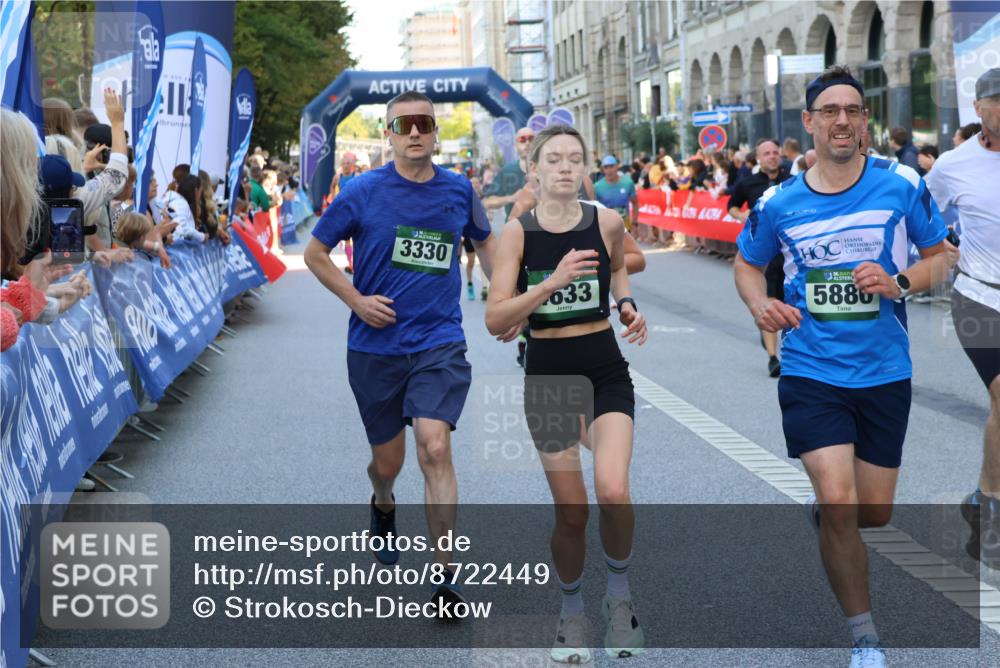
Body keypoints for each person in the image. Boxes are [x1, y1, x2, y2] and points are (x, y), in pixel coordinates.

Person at [733, 65, 955, 668]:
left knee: (872, 512)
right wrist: (761, 305)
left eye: (853, 110)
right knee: (839, 502)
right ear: (808, 123)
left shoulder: (902, 182)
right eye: (829, 111)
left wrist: (900, 280)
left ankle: (832, 517)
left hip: (884, 370)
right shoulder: (779, 201)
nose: (842, 121)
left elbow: (941, 257)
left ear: (865, 122)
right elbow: (747, 264)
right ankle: (865, 639)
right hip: (811, 369)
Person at [303, 90, 510, 616]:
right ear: (388, 134)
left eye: (423, 123)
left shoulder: (458, 191)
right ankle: (382, 501)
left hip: (438, 341)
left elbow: (485, 245)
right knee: (387, 463)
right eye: (404, 125)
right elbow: (315, 253)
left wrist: (508, 302)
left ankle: (445, 578)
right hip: (375, 347)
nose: (414, 132)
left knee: (435, 448)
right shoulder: (362, 191)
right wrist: (356, 299)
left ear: (435, 131)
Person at [484, 124, 648, 663]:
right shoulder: (517, 233)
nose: (564, 167)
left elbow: (619, 264)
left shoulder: (606, 221)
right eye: (552, 159)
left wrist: (625, 305)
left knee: (614, 489)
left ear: (585, 167)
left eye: (574, 159)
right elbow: (494, 318)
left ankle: (619, 601)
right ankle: (571, 610)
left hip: (604, 367)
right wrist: (550, 285)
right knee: (572, 512)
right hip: (550, 376)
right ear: (533, 170)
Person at [925, 68, 1000, 566]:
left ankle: (977, 500)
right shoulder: (954, 164)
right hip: (979, 296)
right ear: (979, 109)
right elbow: (918, 214)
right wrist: (937, 250)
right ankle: (992, 509)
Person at [728, 138, 791, 377]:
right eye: (767, 153)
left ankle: (783, 347)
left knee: (788, 302)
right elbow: (731, 206)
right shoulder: (748, 183)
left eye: (775, 152)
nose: (772, 156)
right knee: (768, 300)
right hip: (764, 255)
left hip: (790, 252)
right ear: (759, 157)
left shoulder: (792, 181)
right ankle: (773, 358)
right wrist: (743, 217)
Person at [482, 126, 533, 219]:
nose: (527, 143)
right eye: (522, 139)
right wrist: (512, 198)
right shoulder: (507, 170)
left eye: (531, 139)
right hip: (515, 230)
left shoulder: (549, 169)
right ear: (515, 145)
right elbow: (488, 202)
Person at [328, 152, 360, 274]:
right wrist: (334, 198)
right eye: (344, 163)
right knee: (347, 239)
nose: (346, 166)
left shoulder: (357, 176)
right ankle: (350, 263)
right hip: (344, 211)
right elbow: (332, 187)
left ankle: (356, 262)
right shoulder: (338, 177)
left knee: (356, 238)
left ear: (352, 165)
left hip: (356, 210)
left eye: (348, 163)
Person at [594, 156, 638, 233]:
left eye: (611, 166)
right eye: (606, 167)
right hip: (606, 227)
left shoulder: (628, 182)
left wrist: (634, 222)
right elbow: (593, 209)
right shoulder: (597, 187)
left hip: (625, 226)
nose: (609, 170)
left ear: (617, 167)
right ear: (603, 169)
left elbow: (635, 203)